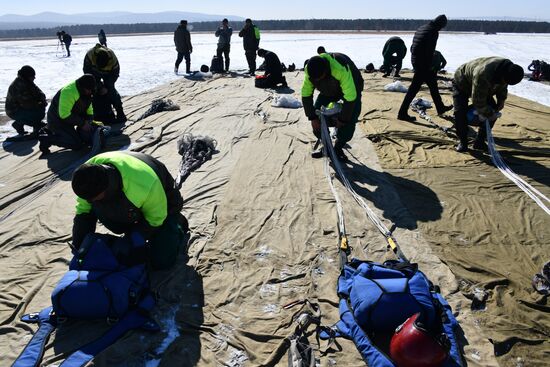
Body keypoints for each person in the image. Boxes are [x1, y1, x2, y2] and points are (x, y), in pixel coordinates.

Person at [71, 151, 187, 270]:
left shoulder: (142, 185)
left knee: (161, 261)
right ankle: (134, 225)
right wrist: (79, 245)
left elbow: (156, 218)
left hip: (163, 203)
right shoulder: (86, 176)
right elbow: (83, 213)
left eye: (93, 198)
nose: (90, 201)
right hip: (131, 192)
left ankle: (177, 223)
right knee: (110, 221)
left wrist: (134, 238)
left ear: (105, 189)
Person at [452, 57, 524, 152]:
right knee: (460, 112)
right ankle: (463, 142)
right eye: (504, 80)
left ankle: (479, 142)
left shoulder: (508, 70)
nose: (504, 83)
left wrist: (501, 101)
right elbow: (478, 99)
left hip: (485, 84)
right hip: (462, 81)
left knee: (493, 110)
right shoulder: (483, 73)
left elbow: (503, 86)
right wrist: (487, 112)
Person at [302, 53, 364, 161]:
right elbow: (306, 94)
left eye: (319, 79)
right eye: (315, 80)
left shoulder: (339, 69)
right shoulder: (309, 70)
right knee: (317, 115)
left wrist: (342, 120)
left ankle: (338, 147)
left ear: (325, 71)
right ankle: (327, 147)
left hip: (352, 86)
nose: (317, 82)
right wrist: (312, 117)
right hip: (329, 89)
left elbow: (350, 98)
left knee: (350, 119)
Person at [397, 15, 452, 122]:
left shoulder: (422, 28)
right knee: (413, 90)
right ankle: (402, 113)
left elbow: (412, 47)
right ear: (440, 24)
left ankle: (440, 107)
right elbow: (429, 50)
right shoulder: (433, 31)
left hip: (416, 60)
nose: (441, 29)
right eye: (442, 26)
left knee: (433, 85)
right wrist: (430, 66)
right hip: (423, 64)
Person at [39, 74, 97, 154]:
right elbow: (64, 114)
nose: (90, 92)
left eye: (91, 90)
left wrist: (89, 121)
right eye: (89, 90)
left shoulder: (87, 92)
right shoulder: (69, 92)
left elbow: (89, 109)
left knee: (87, 136)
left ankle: (70, 134)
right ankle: (47, 139)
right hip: (58, 120)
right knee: (76, 144)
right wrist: (82, 124)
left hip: (72, 117)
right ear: (83, 87)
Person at [83, 43, 126, 123]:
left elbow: (115, 74)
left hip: (109, 74)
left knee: (110, 89)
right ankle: (95, 114)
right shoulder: (90, 55)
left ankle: (120, 112)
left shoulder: (113, 58)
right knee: (94, 91)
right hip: (93, 74)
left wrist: (107, 86)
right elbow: (87, 73)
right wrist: (99, 86)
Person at [5, 65, 47, 137]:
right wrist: (39, 104)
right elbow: (26, 103)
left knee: (39, 111)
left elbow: (39, 92)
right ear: (27, 76)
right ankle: (23, 124)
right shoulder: (18, 85)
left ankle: (33, 124)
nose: (34, 78)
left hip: (23, 108)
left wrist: (42, 99)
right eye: (32, 76)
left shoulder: (27, 81)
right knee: (37, 113)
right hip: (14, 111)